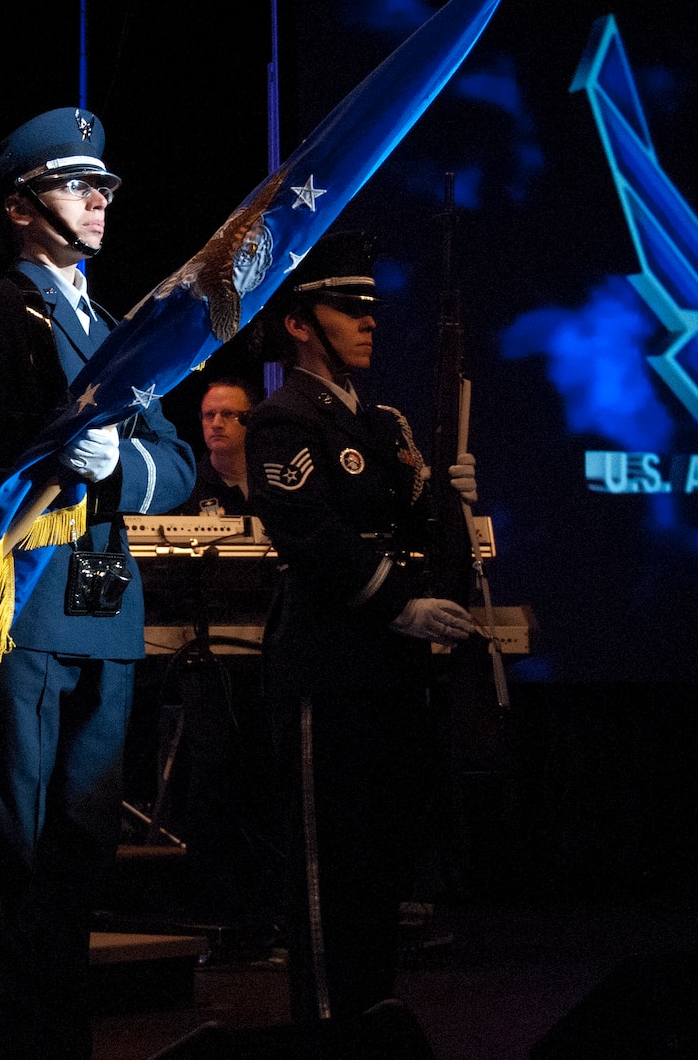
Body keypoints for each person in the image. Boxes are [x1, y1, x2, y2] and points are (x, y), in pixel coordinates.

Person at [0, 107, 196, 1060]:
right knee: (8, 855)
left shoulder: (116, 326)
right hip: (17, 606)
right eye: (78, 186)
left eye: (104, 186)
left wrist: (119, 469)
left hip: (103, 611)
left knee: (79, 852)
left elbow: (179, 467)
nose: (100, 200)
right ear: (23, 208)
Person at [243, 230, 477, 1053]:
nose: (369, 323)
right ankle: (330, 1029)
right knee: (327, 869)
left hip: (386, 672)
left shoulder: (382, 421)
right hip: (327, 666)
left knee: (380, 864)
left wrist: (453, 494)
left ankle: (371, 1021)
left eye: (373, 309)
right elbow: (309, 532)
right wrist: (396, 604)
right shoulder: (282, 421)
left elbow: (420, 516)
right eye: (350, 309)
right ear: (302, 323)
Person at [187, 376, 259, 515]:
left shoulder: (272, 481)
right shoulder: (186, 487)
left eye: (228, 414)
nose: (216, 424)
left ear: (250, 419)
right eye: (209, 415)